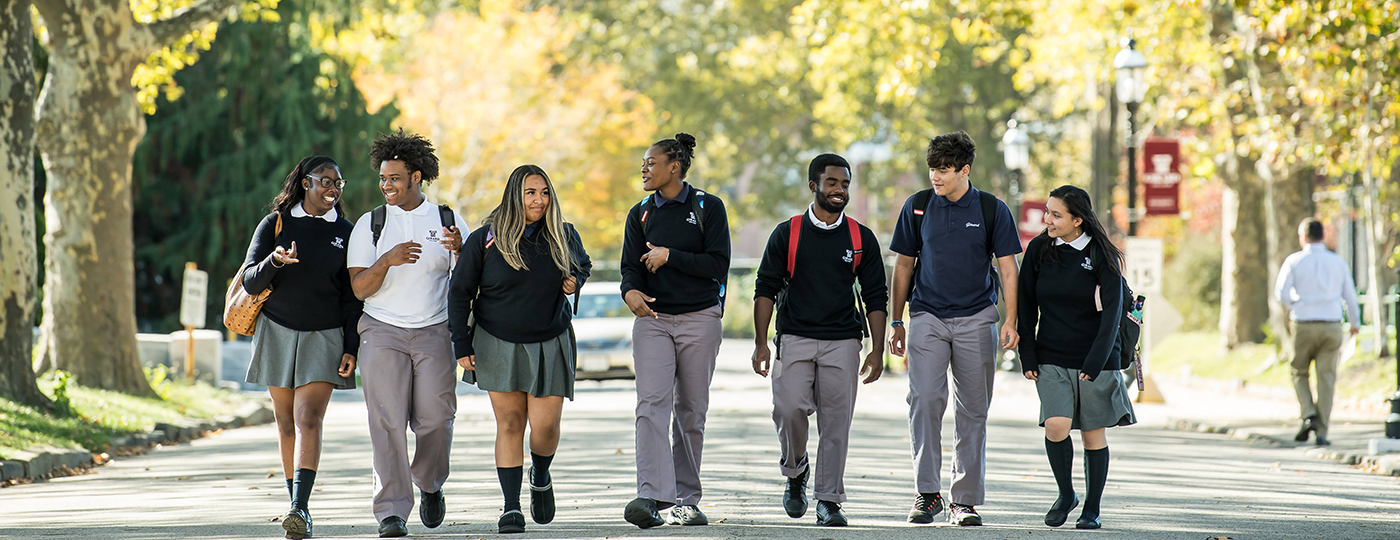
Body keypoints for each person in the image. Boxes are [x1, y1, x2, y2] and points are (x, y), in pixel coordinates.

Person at [448, 165, 592, 534]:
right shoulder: (485, 240)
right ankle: (511, 507)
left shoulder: (564, 234)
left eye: (544, 192)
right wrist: (461, 344)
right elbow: (460, 292)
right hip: (497, 341)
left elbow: (582, 264)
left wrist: (575, 280)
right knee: (510, 424)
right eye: (530, 192)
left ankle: (540, 473)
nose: (539, 200)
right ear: (515, 194)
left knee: (545, 427)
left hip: (550, 340)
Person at [887, 130, 1021, 527]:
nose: (935, 177)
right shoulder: (918, 206)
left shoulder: (992, 210)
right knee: (924, 400)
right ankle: (927, 494)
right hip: (927, 315)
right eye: (932, 169)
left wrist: (1010, 318)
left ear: (965, 170)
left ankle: (964, 500)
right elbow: (903, 266)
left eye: (944, 170)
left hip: (977, 317)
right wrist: (896, 320)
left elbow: (1009, 268)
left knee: (973, 410)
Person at [751, 153, 888, 527]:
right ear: (814, 185)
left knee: (835, 422)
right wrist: (761, 342)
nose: (839, 190)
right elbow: (764, 288)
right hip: (794, 336)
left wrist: (877, 350)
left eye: (845, 184)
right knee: (789, 409)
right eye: (832, 183)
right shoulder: (788, 233)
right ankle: (795, 472)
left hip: (843, 340)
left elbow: (876, 295)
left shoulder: (860, 237)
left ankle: (829, 499)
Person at [346, 130, 465, 538]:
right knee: (387, 421)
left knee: (436, 418)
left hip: (434, 330)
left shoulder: (447, 220)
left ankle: (430, 484)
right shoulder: (371, 224)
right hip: (382, 330)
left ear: (416, 177)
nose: (386, 186)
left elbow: (467, 281)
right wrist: (387, 261)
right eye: (383, 178)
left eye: (394, 178)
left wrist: (462, 253)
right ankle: (392, 510)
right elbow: (359, 288)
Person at [239, 155, 361, 540]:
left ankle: (300, 508)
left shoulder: (346, 231)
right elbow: (250, 282)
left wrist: (351, 346)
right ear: (305, 183)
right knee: (285, 421)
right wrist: (275, 261)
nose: (333, 188)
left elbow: (351, 297)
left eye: (338, 183)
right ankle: (294, 500)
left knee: (309, 418)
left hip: (325, 336)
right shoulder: (276, 223)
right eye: (325, 181)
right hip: (277, 330)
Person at [619, 133, 731, 529]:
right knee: (651, 406)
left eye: (651, 163)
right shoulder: (641, 213)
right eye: (644, 164)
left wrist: (671, 256)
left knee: (690, 411)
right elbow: (630, 266)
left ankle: (686, 500)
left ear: (675, 166)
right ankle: (650, 495)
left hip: (700, 319)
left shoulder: (707, 207)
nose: (644, 170)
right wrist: (629, 290)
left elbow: (718, 264)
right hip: (652, 321)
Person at [1017, 185, 1137, 530]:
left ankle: (1092, 509)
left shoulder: (1101, 254)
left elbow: (1113, 312)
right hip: (1051, 354)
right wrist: (1028, 354)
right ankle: (1066, 493)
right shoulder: (1039, 249)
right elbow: (1027, 305)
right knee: (1056, 425)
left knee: (1092, 435)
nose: (1047, 220)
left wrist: (1097, 359)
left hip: (1095, 357)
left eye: (1056, 215)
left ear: (1077, 220)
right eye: (1047, 212)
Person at [1273, 217, 1361, 447]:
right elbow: (1350, 296)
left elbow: (1281, 293)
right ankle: (1322, 432)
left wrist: (1296, 304)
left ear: (1303, 237)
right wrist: (1355, 323)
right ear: (1324, 235)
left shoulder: (1294, 261)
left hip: (1303, 323)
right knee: (1327, 377)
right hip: (1332, 323)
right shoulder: (1338, 262)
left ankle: (1308, 413)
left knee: (1299, 371)